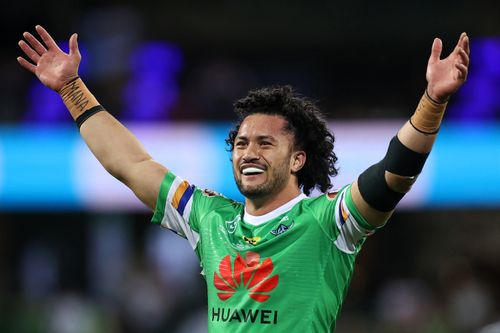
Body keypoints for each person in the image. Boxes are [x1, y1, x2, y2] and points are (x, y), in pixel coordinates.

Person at [17, 25, 470, 332]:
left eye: (265, 143)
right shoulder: (209, 219)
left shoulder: (328, 222)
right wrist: (71, 90)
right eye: (240, 143)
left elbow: (394, 174)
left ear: (297, 160)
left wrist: (432, 100)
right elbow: (131, 165)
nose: (248, 152)